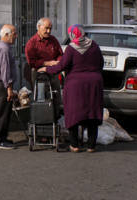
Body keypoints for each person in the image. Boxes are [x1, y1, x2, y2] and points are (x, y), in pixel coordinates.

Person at [40, 24, 104, 153]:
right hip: (94, 83)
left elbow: (61, 66)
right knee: (92, 113)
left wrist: (46, 68)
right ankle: (91, 145)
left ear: (72, 35)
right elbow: (101, 64)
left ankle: (74, 145)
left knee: (73, 112)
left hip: (75, 85)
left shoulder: (71, 48)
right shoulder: (94, 45)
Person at [0, 24, 18, 150]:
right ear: (6, 34)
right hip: (2, 84)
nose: (16, 36)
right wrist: (9, 89)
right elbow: (5, 71)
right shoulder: (4, 49)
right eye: (14, 33)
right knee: (2, 112)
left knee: (0, 111)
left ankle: (1, 137)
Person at [25, 18, 63, 110]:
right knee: (41, 96)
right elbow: (32, 62)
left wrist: (58, 62)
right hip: (39, 74)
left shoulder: (53, 40)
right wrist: (48, 63)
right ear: (39, 27)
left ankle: (56, 116)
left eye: (50, 29)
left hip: (53, 73)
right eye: (46, 28)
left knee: (56, 95)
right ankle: (42, 118)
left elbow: (60, 54)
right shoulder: (32, 43)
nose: (48, 31)